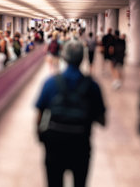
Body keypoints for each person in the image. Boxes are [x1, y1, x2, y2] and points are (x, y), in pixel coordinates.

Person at [35, 40, 106, 187]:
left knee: (54, 183)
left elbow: (39, 114)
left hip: (54, 144)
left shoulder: (51, 83)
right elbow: (102, 120)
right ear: (82, 58)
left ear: (64, 57)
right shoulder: (92, 86)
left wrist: (40, 136)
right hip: (80, 143)